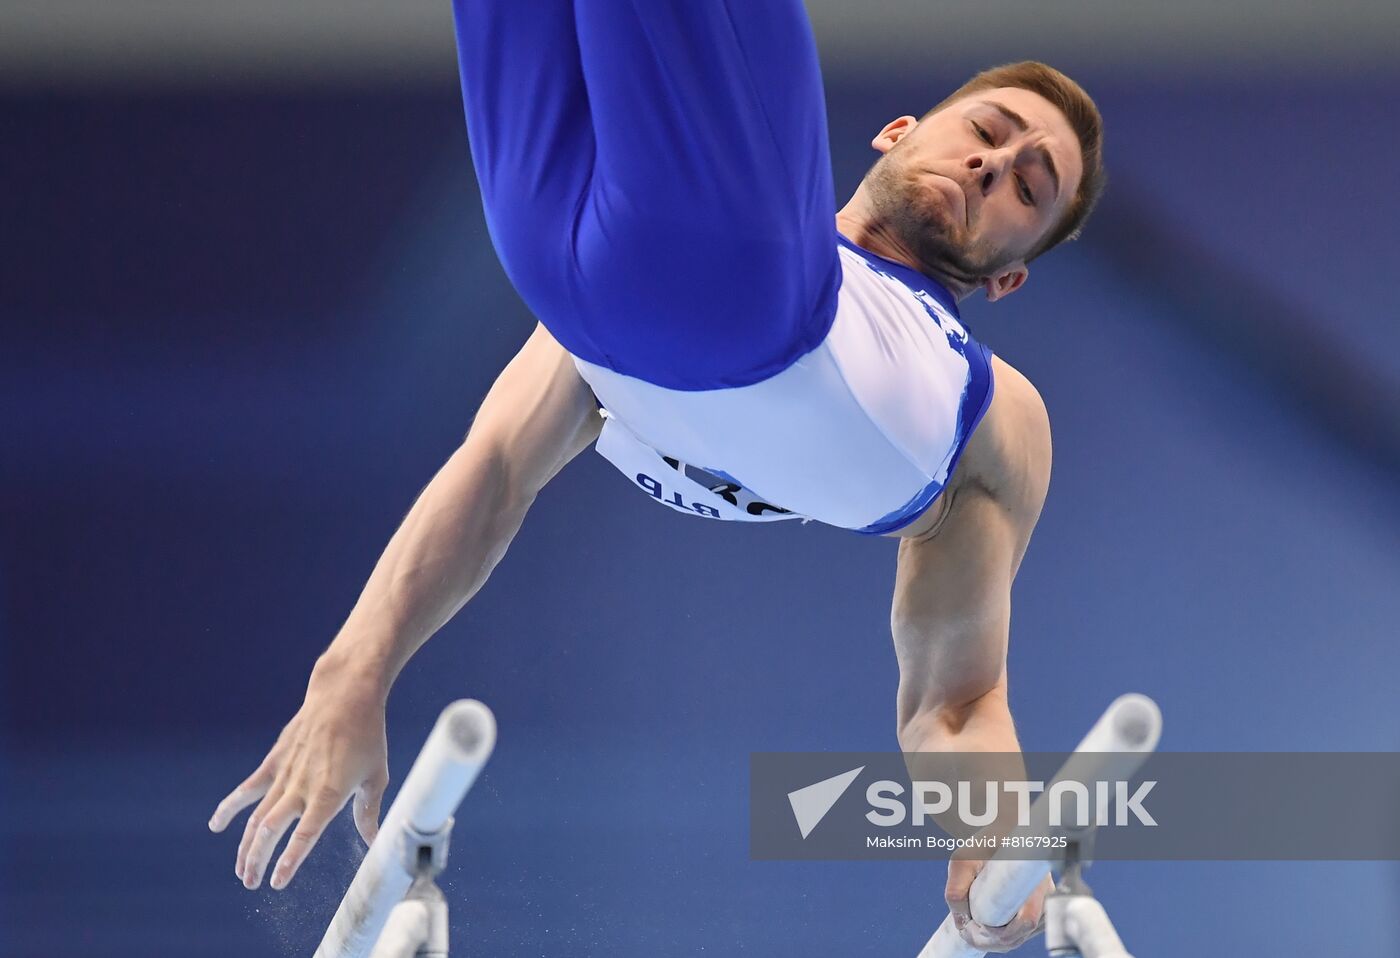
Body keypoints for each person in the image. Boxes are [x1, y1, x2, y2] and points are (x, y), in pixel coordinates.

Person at [208, 3, 1105, 951]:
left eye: (1027, 188)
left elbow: (956, 698)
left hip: (562, 265)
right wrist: (352, 670)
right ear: (901, 130)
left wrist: (987, 834)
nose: (991, 167)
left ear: (1008, 279)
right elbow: (496, 467)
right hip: (728, 270)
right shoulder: (793, 237)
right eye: (988, 134)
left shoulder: (1001, 417)